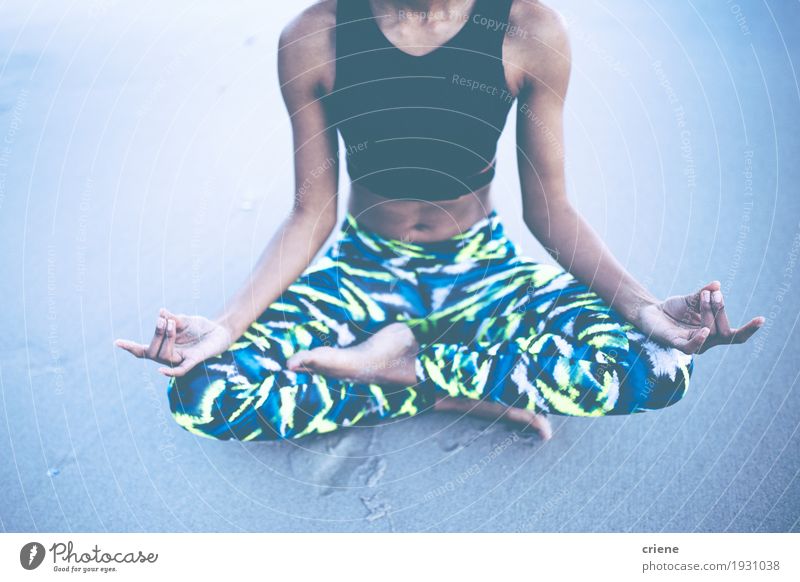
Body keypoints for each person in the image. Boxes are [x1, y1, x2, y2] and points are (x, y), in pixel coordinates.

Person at [115, 0, 764, 442]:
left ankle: (411, 370)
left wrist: (644, 306)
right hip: (364, 270)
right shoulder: (315, 35)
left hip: (483, 268)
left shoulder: (527, 31)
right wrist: (226, 327)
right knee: (200, 395)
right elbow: (311, 212)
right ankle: (452, 386)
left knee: (662, 369)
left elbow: (550, 208)